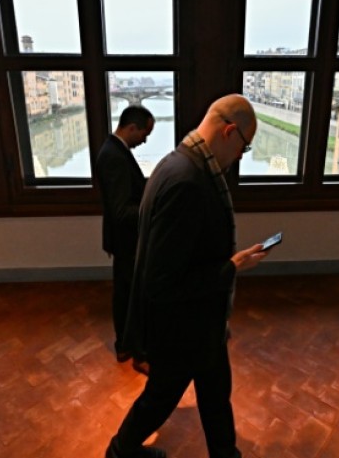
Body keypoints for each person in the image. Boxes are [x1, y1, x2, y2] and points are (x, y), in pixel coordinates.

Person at [105, 94, 269, 458]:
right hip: (182, 326)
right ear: (229, 132)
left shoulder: (177, 162)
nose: (242, 156)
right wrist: (232, 267)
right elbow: (161, 280)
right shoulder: (188, 181)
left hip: (195, 322)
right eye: (245, 146)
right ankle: (120, 452)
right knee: (162, 397)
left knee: (213, 392)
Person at [96, 105, 155, 374]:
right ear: (132, 128)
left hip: (122, 241)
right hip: (128, 242)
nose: (145, 140)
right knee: (136, 297)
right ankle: (140, 353)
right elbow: (121, 211)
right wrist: (154, 206)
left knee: (124, 295)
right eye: (144, 134)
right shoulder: (115, 156)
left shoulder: (113, 150)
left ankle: (125, 347)